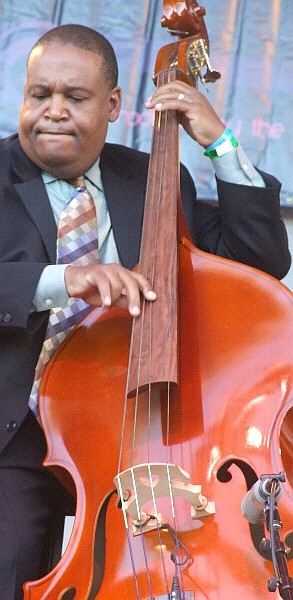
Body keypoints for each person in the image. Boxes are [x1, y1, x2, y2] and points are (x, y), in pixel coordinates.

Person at [0, 23, 290, 599]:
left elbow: (259, 260)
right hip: (19, 431)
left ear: (112, 106)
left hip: (139, 425)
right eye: (40, 95)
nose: (53, 111)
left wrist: (219, 143)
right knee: (10, 554)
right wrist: (64, 279)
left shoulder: (154, 177)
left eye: (74, 98)